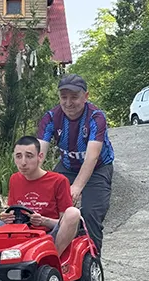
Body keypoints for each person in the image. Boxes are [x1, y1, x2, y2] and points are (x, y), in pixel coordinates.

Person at [35, 73, 114, 254]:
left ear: (85, 96)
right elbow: (39, 152)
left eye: (74, 97)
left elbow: (92, 157)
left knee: (91, 213)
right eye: (64, 97)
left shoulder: (96, 117)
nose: (68, 103)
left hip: (98, 168)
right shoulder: (51, 118)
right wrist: (33, 179)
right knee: (47, 209)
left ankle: (92, 262)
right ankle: (52, 255)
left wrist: (77, 187)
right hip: (67, 166)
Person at [0, 136, 82, 257]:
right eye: (18, 156)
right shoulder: (14, 179)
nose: (23, 162)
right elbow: (13, 212)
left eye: (29, 156)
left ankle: (54, 257)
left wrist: (43, 221)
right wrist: (6, 217)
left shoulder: (59, 181)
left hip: (47, 235)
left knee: (73, 213)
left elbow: (64, 222)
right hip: (19, 233)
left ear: (40, 157)